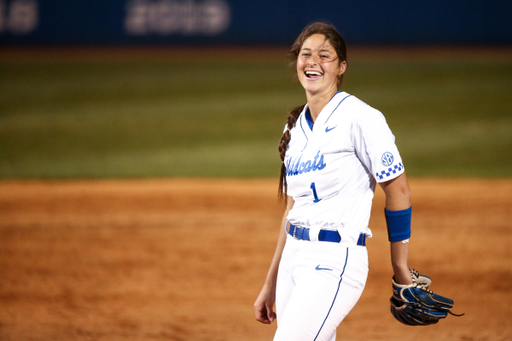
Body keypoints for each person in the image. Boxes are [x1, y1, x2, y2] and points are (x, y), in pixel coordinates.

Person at [253, 21, 414, 341]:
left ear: (341, 66)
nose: (312, 62)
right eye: (305, 54)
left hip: (334, 260)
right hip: (293, 261)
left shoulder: (362, 118)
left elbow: (398, 190)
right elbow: (295, 209)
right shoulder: (293, 129)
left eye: (323, 55)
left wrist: (400, 268)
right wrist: (270, 282)